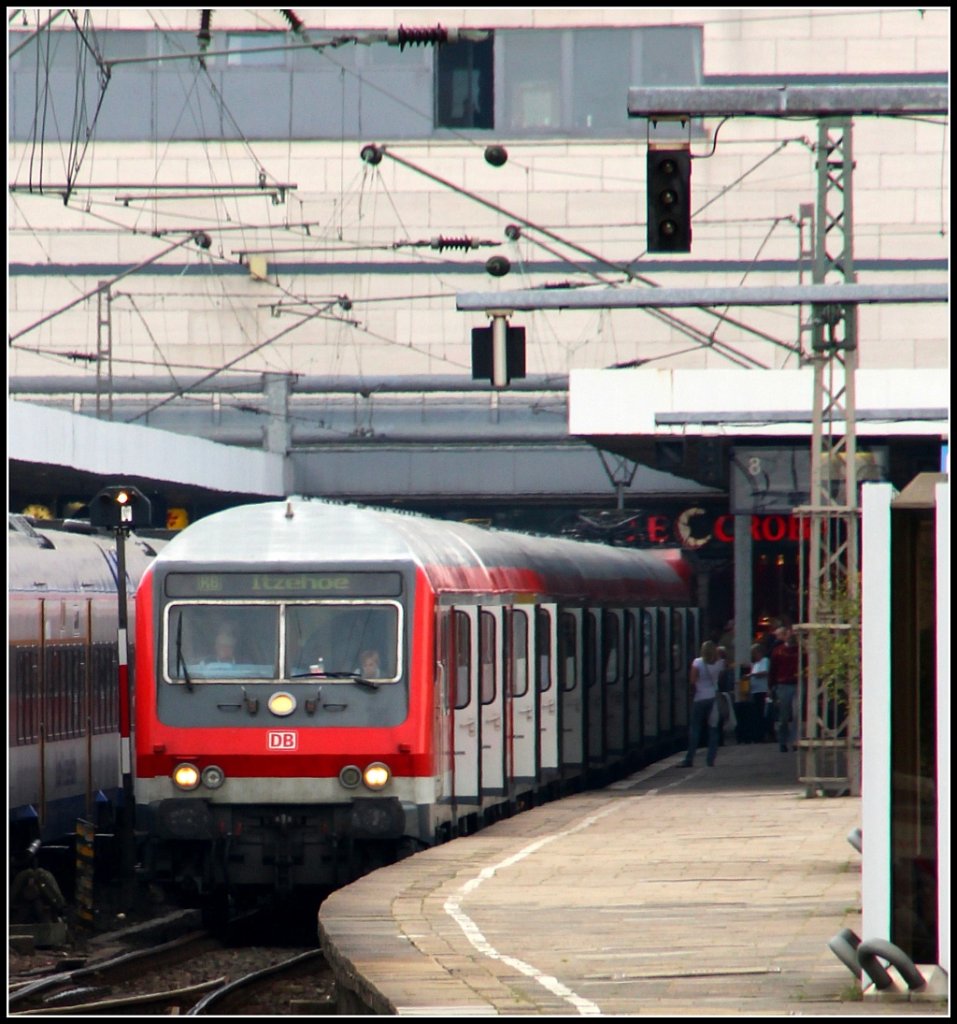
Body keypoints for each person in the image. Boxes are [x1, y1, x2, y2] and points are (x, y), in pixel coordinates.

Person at [681, 640, 721, 768]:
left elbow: (692, 681)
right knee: (713, 729)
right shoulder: (719, 663)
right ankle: (710, 760)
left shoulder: (697, 662)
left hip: (699, 698)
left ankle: (689, 758)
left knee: (695, 728)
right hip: (713, 698)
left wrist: (691, 695)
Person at [769, 627, 799, 752]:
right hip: (783, 684)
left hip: (797, 683)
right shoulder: (778, 651)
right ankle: (783, 741)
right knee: (784, 716)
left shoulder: (801, 651)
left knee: (797, 714)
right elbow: (773, 670)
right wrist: (771, 686)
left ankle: (795, 741)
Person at [747, 642, 773, 741]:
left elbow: (765, 672)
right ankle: (758, 734)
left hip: (763, 690)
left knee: (763, 713)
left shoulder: (765, 661)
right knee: (757, 714)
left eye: (754, 653)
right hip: (755, 691)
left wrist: (752, 675)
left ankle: (765, 734)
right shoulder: (755, 664)